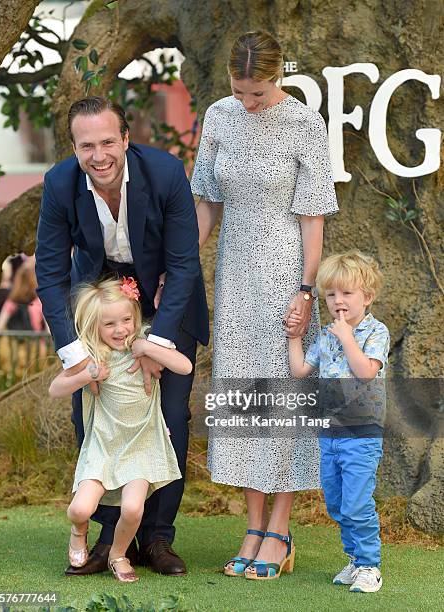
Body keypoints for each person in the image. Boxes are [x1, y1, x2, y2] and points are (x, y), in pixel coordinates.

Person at [36, 96, 209, 576]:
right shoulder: (58, 183)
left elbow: (183, 263)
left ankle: (156, 539)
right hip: (98, 313)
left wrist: (159, 344)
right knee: (93, 419)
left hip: (166, 305)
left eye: (108, 141)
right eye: (86, 145)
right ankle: (112, 539)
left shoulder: (165, 173)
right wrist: (74, 354)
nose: (98, 155)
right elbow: (50, 275)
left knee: (170, 417)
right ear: (74, 148)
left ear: (126, 139)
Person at [190, 30, 338, 579]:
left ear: (277, 77)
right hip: (234, 280)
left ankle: (280, 528)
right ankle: (251, 527)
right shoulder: (219, 117)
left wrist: (306, 288)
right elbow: (205, 203)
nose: (247, 102)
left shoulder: (306, 123)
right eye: (239, 90)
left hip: (284, 275)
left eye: (257, 92)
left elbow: (313, 216)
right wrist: (180, 268)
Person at [49, 277, 192, 582]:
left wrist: (145, 346)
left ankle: (118, 553)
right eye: (109, 324)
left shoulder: (145, 344)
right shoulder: (92, 355)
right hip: (104, 446)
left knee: (132, 509)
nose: (120, 329)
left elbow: (184, 367)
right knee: (79, 508)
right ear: (94, 327)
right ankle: (79, 531)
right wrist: (87, 374)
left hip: (142, 445)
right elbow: (55, 389)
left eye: (126, 320)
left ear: (135, 317)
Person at [288, 250, 389, 593]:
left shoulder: (376, 332)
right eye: (331, 294)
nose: (337, 301)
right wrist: (293, 339)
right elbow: (301, 369)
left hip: (361, 435)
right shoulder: (327, 335)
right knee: (336, 502)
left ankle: (369, 565)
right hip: (329, 435)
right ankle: (354, 559)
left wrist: (347, 337)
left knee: (357, 503)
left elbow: (365, 373)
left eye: (346, 293)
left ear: (367, 297)